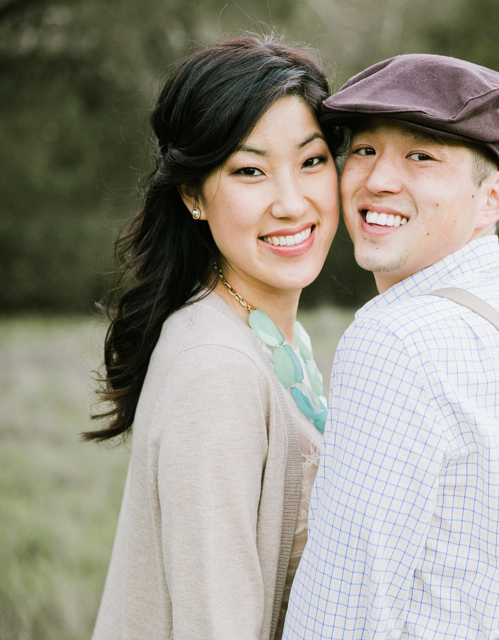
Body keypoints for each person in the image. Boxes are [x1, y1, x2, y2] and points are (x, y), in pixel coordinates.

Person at [284, 54, 499, 639]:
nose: (377, 179)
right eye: (365, 150)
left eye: (421, 157)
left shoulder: (392, 341)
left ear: (493, 198)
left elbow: (339, 612)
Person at [86, 37, 340, 640]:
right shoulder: (216, 368)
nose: (290, 201)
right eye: (250, 170)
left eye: (312, 161)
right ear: (194, 195)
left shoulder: (275, 338)